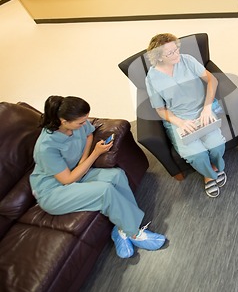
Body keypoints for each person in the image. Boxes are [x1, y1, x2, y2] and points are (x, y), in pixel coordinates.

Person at [30, 96, 166, 259]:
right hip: (53, 191)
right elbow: (67, 180)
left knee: (117, 175)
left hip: (75, 173)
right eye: (81, 122)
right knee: (104, 191)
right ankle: (134, 233)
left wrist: (83, 160)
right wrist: (95, 154)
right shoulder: (46, 147)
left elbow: (88, 135)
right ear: (63, 121)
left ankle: (121, 230)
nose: (84, 124)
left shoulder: (76, 123)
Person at [145, 33, 227, 198]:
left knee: (217, 146)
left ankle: (215, 167)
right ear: (158, 57)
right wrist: (180, 122)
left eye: (176, 49)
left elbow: (213, 81)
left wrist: (207, 108)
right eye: (170, 53)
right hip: (179, 118)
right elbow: (160, 109)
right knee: (196, 155)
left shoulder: (187, 60)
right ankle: (208, 174)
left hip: (202, 109)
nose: (176, 54)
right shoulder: (152, 78)